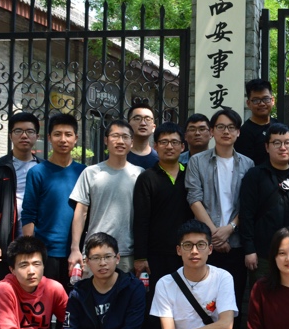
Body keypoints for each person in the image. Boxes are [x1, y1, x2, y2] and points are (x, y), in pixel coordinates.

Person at [185, 108, 255, 329]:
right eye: (221, 127)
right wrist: (214, 234)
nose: (226, 132)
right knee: (204, 298)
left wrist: (230, 228)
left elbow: (249, 204)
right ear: (212, 131)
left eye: (231, 127)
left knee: (233, 298)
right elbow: (194, 199)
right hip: (206, 243)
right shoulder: (197, 161)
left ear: (238, 133)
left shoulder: (248, 164)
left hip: (236, 242)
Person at [239, 123, 289, 280]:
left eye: (287, 142)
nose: (283, 147)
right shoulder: (254, 176)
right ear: (267, 147)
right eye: (277, 143)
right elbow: (246, 214)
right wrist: (249, 249)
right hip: (263, 255)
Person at [68, 120, 143, 274]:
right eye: (115, 136)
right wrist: (75, 248)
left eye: (125, 137)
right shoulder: (91, 172)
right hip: (95, 251)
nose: (120, 141)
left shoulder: (140, 174)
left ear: (132, 142)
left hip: (127, 253)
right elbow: (81, 212)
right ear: (105, 140)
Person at [22, 113, 86, 290]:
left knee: (74, 301)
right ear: (49, 138)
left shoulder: (84, 172)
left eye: (68, 134)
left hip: (76, 252)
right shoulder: (37, 172)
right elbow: (28, 214)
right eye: (57, 134)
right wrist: (30, 251)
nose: (63, 139)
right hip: (46, 252)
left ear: (76, 138)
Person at [0, 111, 40, 282]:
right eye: (18, 131)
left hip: (37, 241)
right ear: (10, 135)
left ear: (37, 136)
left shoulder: (43, 168)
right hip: (7, 241)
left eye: (29, 131)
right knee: (6, 288)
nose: (24, 136)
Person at [133, 122, 194, 287]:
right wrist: (140, 257)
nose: (169, 147)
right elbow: (141, 219)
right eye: (164, 142)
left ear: (182, 146)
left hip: (188, 251)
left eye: (174, 142)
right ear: (155, 146)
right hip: (156, 254)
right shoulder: (147, 178)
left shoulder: (191, 174)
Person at [234, 78, 279, 165]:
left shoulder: (278, 125)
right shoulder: (244, 133)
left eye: (266, 99)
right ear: (248, 103)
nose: (262, 104)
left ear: (272, 100)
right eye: (256, 100)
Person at [126, 102, 159, 170]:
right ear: (128, 125)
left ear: (154, 127)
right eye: (137, 118)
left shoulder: (159, 160)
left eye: (148, 119)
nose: (143, 123)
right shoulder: (119, 156)